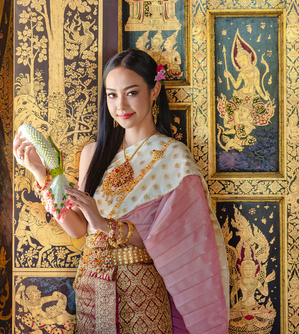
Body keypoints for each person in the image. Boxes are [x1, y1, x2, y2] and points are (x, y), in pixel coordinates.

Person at [13, 49, 229, 333]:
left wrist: (103, 223)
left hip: (142, 291)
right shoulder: (95, 153)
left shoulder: (173, 157)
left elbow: (176, 238)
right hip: (92, 285)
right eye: (112, 95)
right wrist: (40, 174)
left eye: (131, 92)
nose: (121, 105)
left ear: (154, 91)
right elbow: (78, 230)